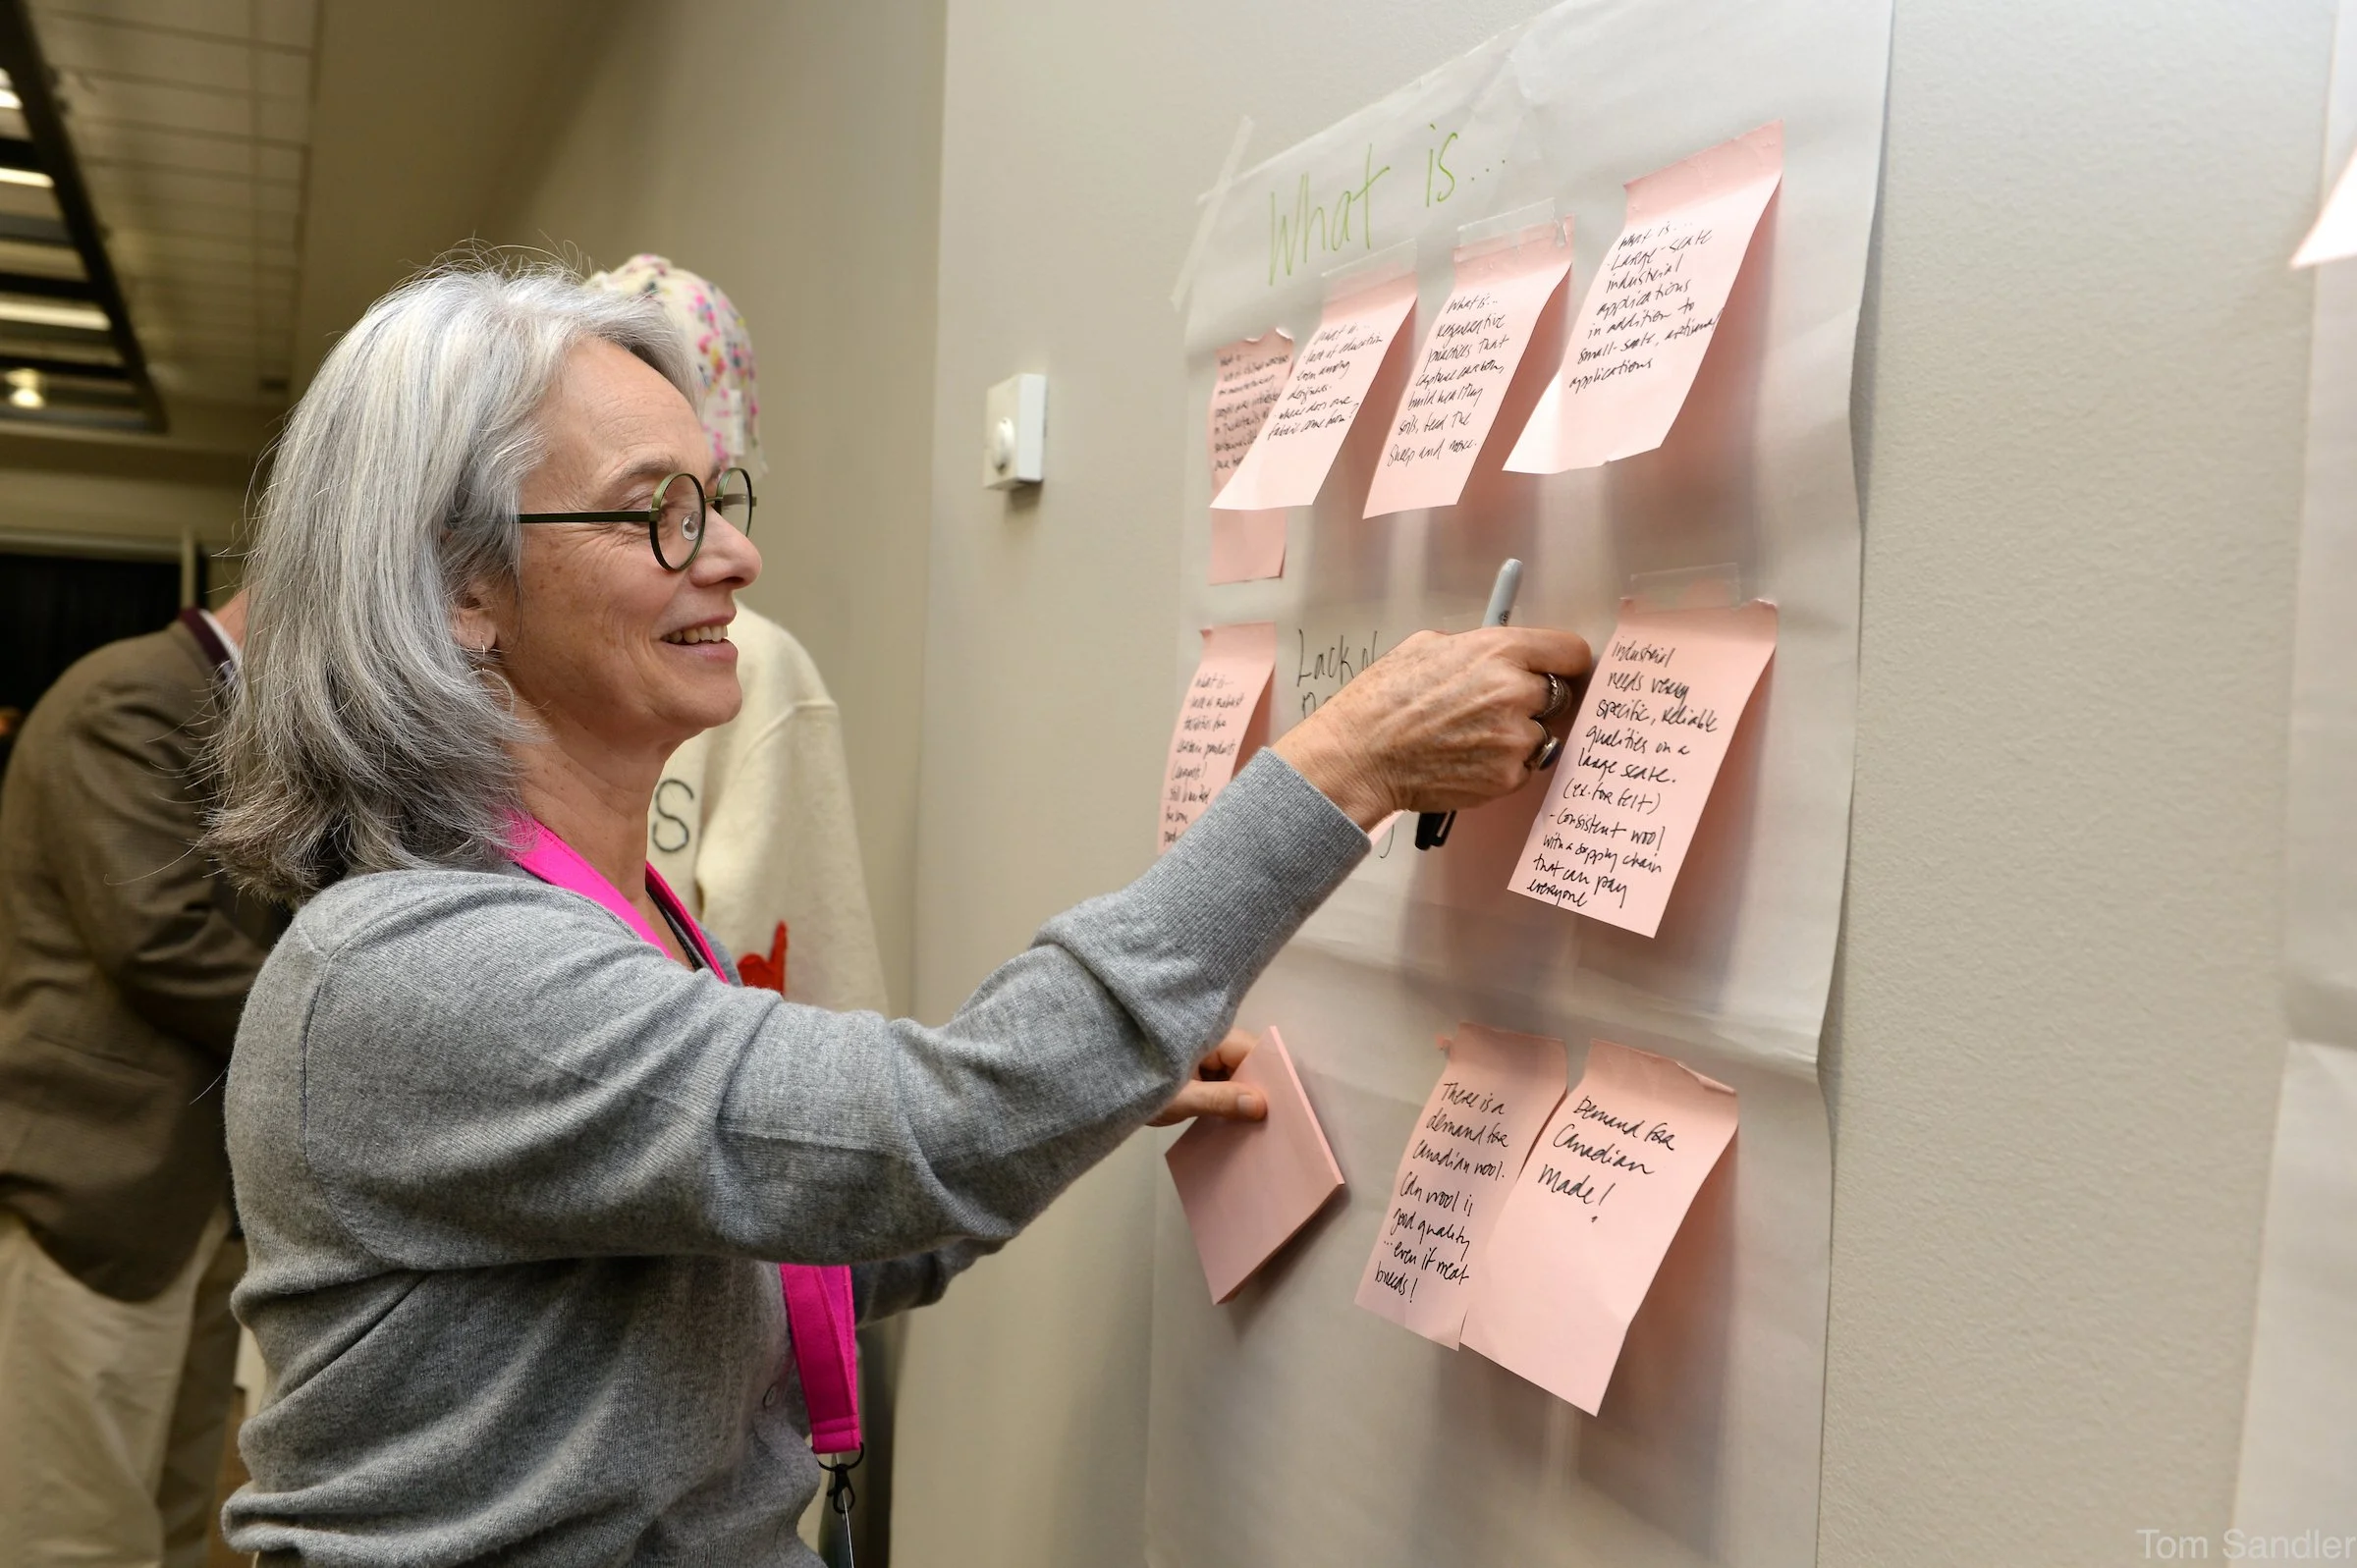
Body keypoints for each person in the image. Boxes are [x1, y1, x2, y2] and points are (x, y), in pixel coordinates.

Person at [205, 260, 1590, 1565]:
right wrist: (1339, 768)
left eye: (721, 496)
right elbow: (919, 1139)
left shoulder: (598, 916)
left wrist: (1087, 1083)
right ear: (460, 589)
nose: (737, 558)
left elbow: (790, 1238)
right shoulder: (422, 967)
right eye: (662, 511)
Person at [0, 594, 282, 1568]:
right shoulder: (129, 696)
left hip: (193, 1195)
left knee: (170, 1521)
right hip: (94, 1197)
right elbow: (158, 939)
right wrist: (353, 1028)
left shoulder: (218, 708)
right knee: (75, 1536)